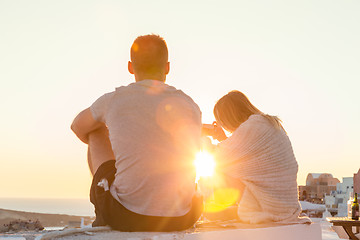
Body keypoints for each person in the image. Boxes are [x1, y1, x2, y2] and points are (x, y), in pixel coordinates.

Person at [71, 34, 203, 231]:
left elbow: (78, 127)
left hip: (127, 216)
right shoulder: (190, 105)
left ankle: (103, 204)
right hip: (184, 216)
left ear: (130, 67)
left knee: (95, 131)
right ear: (167, 68)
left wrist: (116, 138)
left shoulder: (114, 100)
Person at [203, 90, 310, 224]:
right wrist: (222, 138)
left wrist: (201, 137)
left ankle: (234, 207)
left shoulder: (254, 125)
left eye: (223, 122)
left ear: (230, 116)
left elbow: (220, 157)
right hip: (285, 206)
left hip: (269, 207)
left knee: (218, 176)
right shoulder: (266, 123)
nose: (224, 127)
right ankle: (234, 208)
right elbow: (243, 157)